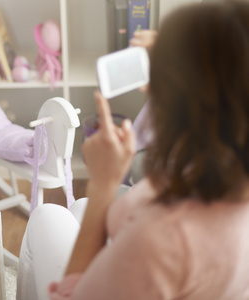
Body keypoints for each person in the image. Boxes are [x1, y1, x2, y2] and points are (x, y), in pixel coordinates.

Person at [17, 1, 249, 299]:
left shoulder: (162, 238)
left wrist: (103, 185)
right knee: (78, 207)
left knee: (46, 216)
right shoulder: (224, 164)